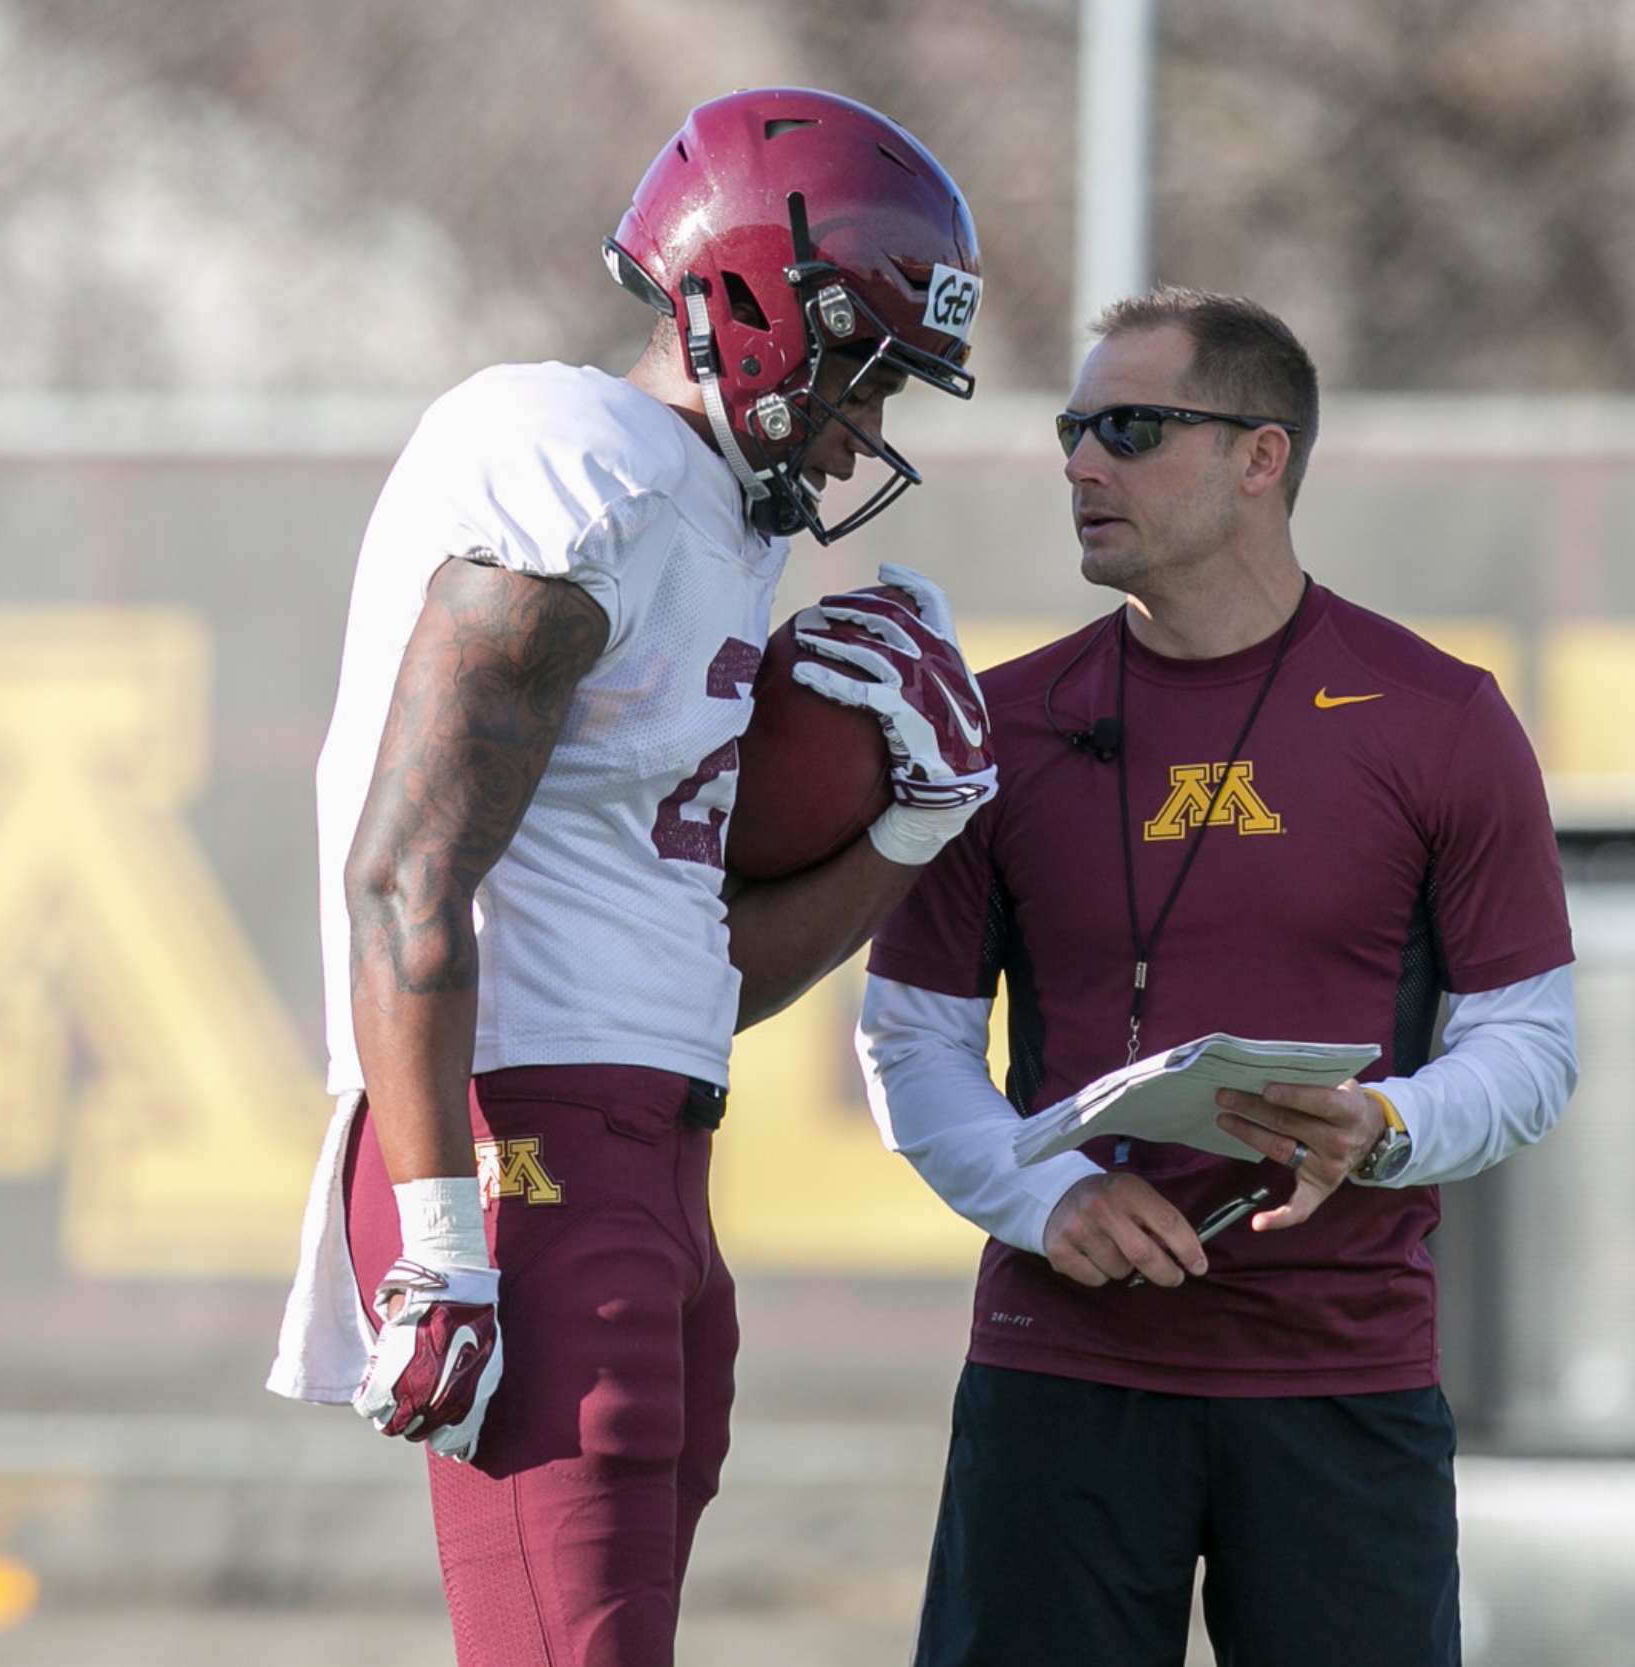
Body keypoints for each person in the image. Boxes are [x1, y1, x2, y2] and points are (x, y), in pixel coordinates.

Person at [265, 88, 998, 1667]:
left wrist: (907, 830)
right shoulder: (573, 460)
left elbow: (696, 977)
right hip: (519, 1145)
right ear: (750, 304)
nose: (872, 428)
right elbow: (401, 876)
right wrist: (446, 1243)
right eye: (865, 373)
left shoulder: (718, 520)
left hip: (653, 1149)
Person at [858, 287, 1580, 1667]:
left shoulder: (1441, 719)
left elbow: (1530, 1042)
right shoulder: (996, 722)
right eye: (1073, 428)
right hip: (1060, 1369)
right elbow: (910, 1042)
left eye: (1130, 428)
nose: (1081, 463)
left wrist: (1390, 1127)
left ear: (1263, 457)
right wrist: (1045, 1194)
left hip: (1343, 1375)